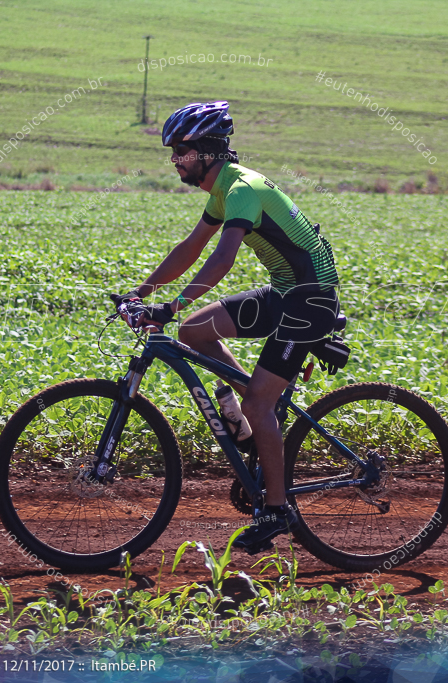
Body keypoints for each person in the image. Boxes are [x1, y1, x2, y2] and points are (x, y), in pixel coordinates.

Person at [111, 101, 341, 553]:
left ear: (209, 152)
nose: (175, 159)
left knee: (260, 400)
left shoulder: (241, 191)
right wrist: (140, 293)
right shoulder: (223, 189)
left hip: (309, 300)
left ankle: (276, 509)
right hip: (285, 292)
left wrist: (171, 305)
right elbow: (191, 248)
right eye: (173, 151)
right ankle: (245, 429)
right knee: (194, 332)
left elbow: (222, 259)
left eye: (182, 150)